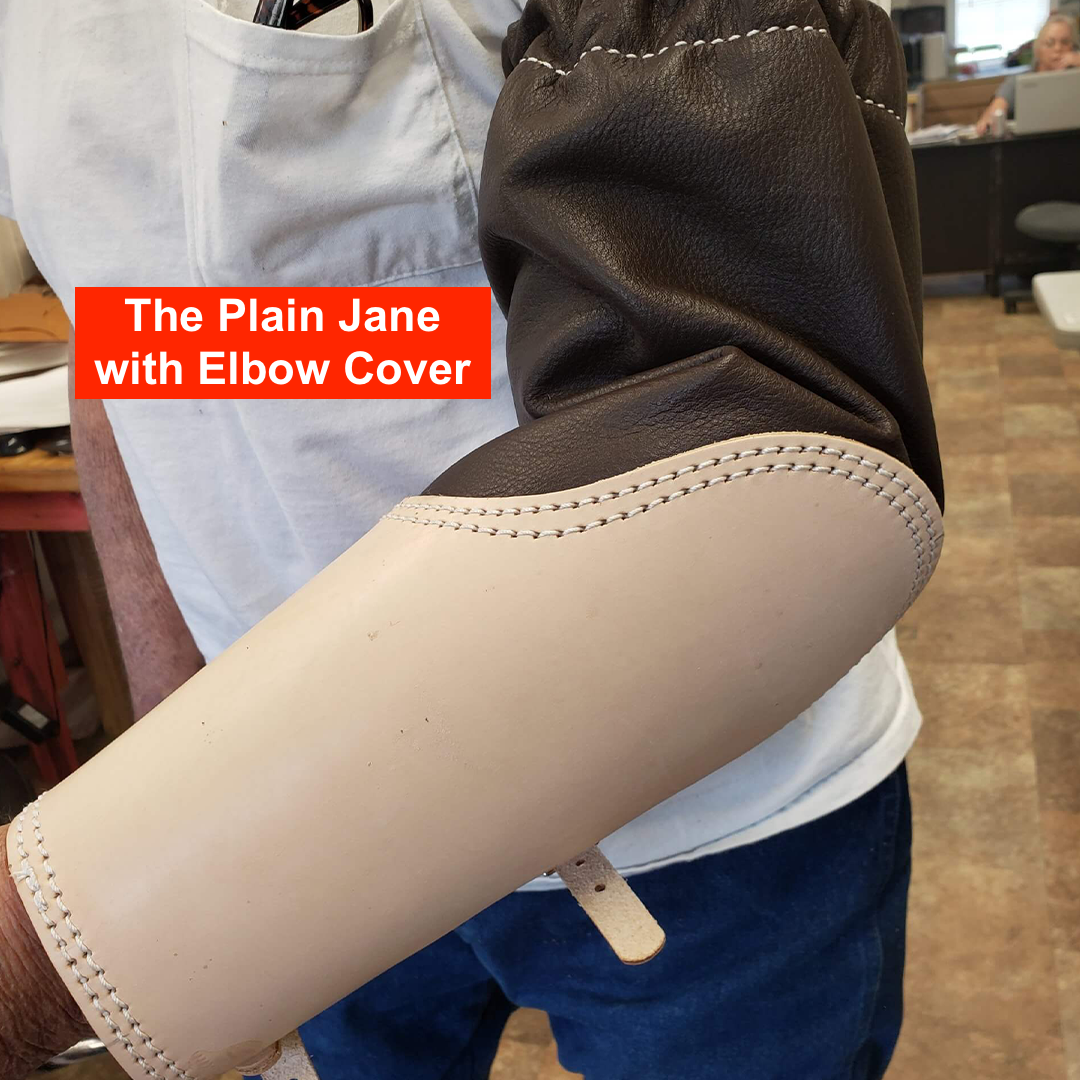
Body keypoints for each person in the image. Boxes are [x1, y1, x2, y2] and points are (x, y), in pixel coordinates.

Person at [0, 1, 942, 1078]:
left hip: (709, 820)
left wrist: (62, 940)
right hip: (288, 840)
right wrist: (174, 769)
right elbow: (134, 337)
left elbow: (759, 463)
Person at [975, 13, 1080, 134]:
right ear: (1038, 49)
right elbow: (996, 110)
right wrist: (989, 120)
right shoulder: (1017, 81)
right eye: (1050, 43)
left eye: (1065, 42)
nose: (1058, 49)